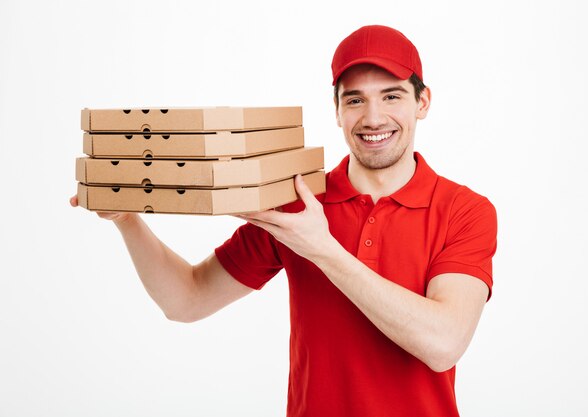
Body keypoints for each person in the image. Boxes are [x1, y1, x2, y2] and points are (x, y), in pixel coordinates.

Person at [71, 25, 497, 417]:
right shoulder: (295, 201)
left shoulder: (465, 210)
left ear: (421, 102)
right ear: (336, 110)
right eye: (355, 99)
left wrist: (323, 250)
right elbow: (187, 299)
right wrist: (126, 219)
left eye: (391, 96)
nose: (372, 117)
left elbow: (444, 344)